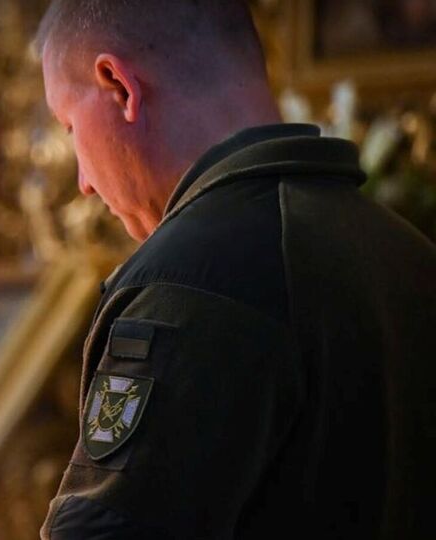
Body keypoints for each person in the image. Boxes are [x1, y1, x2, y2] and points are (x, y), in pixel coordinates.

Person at [35, 1, 436, 538]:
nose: (83, 181)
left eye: (68, 127)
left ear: (119, 87)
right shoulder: (411, 255)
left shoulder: (186, 282)